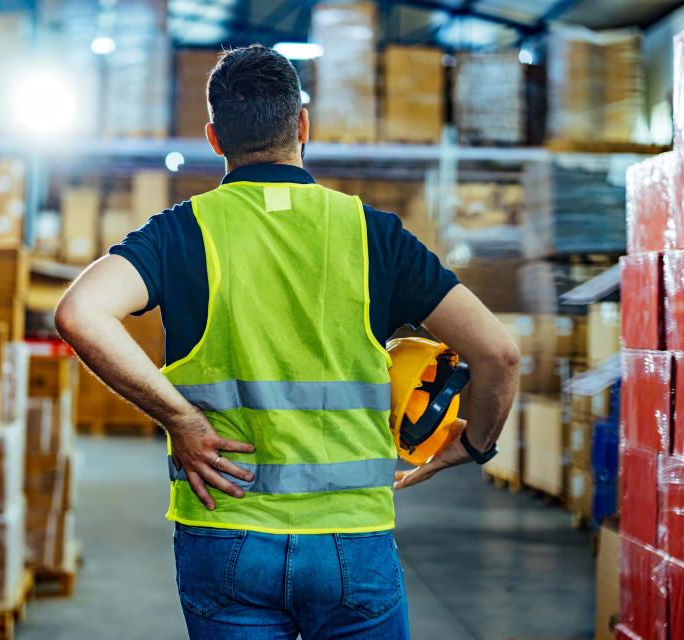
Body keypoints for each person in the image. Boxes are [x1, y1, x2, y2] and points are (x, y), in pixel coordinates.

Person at [55, 44, 519, 640]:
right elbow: (498, 353)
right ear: (302, 125)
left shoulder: (181, 232)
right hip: (352, 539)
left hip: (226, 534)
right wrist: (475, 444)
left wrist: (181, 420)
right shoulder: (374, 236)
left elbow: (79, 313)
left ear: (215, 138)